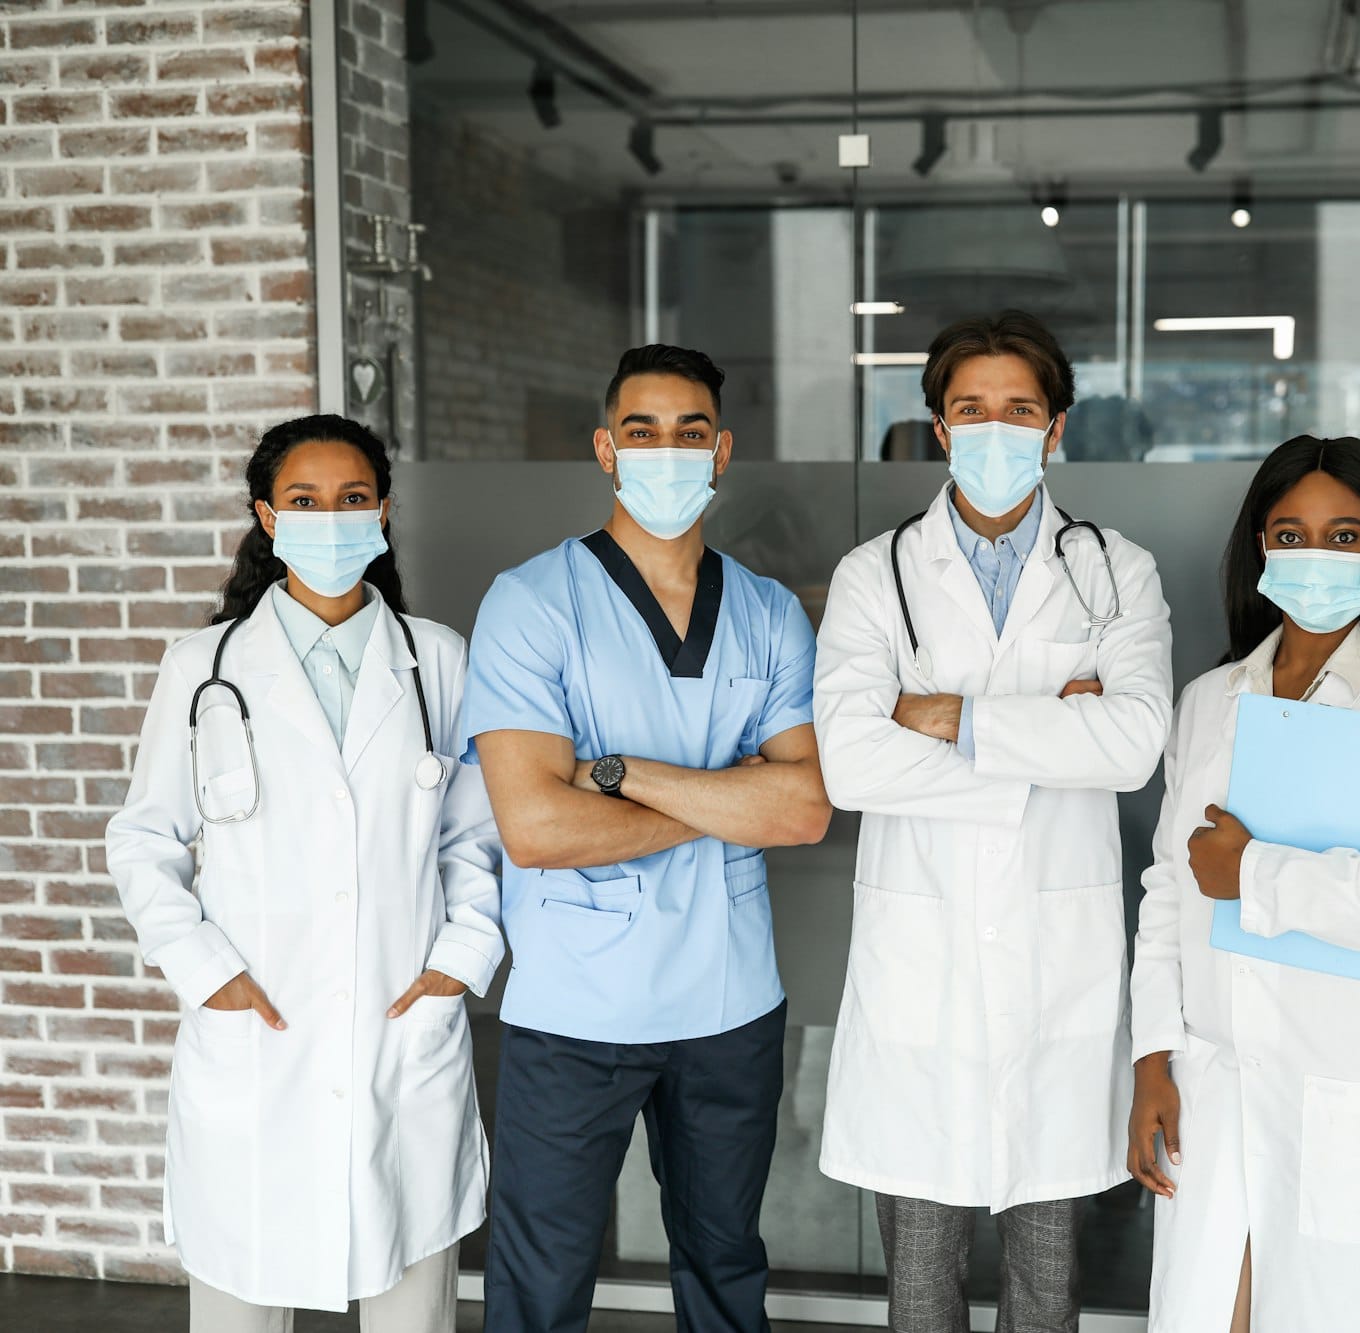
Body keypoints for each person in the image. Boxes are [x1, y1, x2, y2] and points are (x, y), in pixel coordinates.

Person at [813, 310, 1174, 1332]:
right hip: (917, 966)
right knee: (920, 1282)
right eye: (970, 408)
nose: (994, 428)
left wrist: (947, 719)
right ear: (936, 426)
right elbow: (848, 761)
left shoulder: (1114, 568)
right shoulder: (872, 573)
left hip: (1055, 962)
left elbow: (1135, 742)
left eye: (1019, 408)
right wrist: (1044, 742)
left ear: (1055, 427)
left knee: (1045, 1282)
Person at [107, 415, 504, 1332]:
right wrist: (208, 974)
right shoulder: (201, 668)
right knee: (242, 1301)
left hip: (402, 1027)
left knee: (412, 1300)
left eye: (353, 499)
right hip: (258, 1033)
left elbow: (474, 839)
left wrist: (458, 962)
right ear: (267, 518)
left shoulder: (436, 658)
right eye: (304, 500)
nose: (331, 519)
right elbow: (143, 839)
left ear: (384, 513)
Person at [464, 345, 832, 1333]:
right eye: (640, 431)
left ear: (720, 453)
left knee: (724, 1266)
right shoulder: (531, 603)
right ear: (604, 449)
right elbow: (536, 828)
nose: (664, 452)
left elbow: (802, 812)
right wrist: (732, 796)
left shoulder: (764, 613)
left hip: (728, 1001)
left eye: (687, 433)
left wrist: (621, 773)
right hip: (576, 1005)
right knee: (538, 1281)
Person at [1126, 436, 1360, 1332]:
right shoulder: (1211, 699)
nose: (1314, 555)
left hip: (1348, 1089)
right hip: (1212, 1077)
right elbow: (1169, 890)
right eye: (1290, 532)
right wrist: (1149, 1058)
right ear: (1259, 544)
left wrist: (1255, 873)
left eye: (1342, 533)